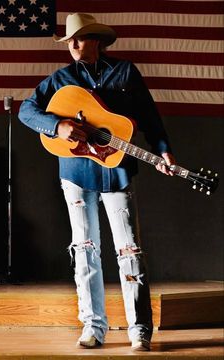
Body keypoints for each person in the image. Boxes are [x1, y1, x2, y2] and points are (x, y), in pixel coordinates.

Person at [18, 13, 175, 351]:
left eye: (80, 38)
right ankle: (93, 325)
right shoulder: (60, 79)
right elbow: (26, 111)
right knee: (85, 249)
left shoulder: (125, 73)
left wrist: (163, 150)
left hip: (116, 170)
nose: (73, 45)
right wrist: (57, 126)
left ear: (97, 40)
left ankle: (139, 329)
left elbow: (150, 117)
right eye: (70, 40)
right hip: (75, 173)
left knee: (129, 249)